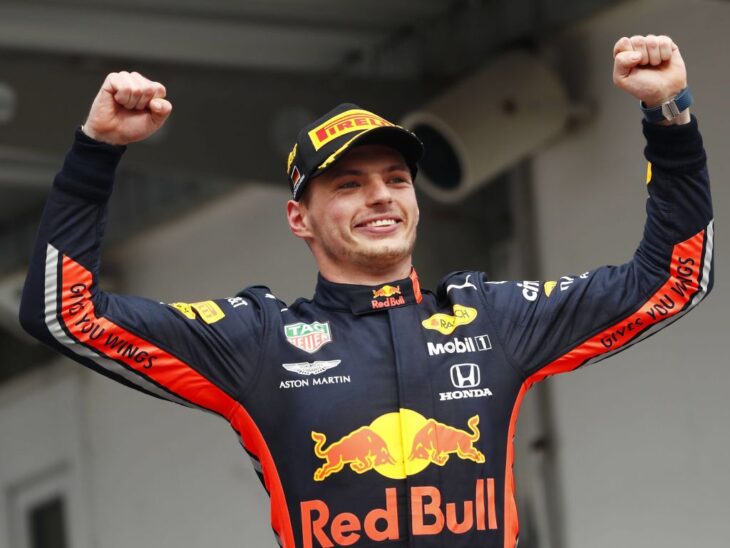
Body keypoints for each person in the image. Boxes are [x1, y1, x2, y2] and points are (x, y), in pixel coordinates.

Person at [19, 35, 713, 548]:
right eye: (348, 184)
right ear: (299, 218)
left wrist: (669, 114)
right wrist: (97, 150)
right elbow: (65, 313)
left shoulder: (493, 320)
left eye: (395, 180)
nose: (380, 196)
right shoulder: (258, 341)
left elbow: (674, 278)